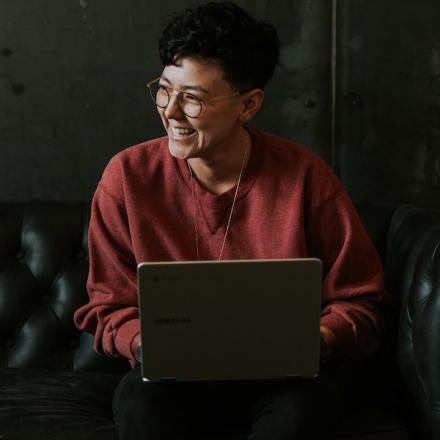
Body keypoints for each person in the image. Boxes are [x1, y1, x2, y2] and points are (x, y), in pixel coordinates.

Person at [74, 2, 385, 439]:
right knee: (141, 411)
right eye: (164, 90)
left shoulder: (305, 177)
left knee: (301, 414)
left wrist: (319, 338)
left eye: (193, 98)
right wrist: (146, 343)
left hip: (284, 381)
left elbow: (362, 303)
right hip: (169, 381)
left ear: (249, 105)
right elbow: (106, 307)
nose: (171, 112)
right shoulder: (127, 177)